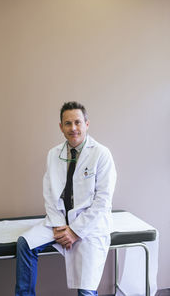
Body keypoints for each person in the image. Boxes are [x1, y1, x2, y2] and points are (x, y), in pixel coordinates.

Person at [15, 101, 117, 296]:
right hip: (60, 221)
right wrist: (60, 226)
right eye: (68, 124)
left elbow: (102, 202)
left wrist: (76, 231)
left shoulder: (101, 154)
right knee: (25, 244)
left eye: (77, 122)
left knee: (86, 289)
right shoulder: (54, 154)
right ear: (61, 127)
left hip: (90, 227)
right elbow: (50, 194)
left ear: (87, 124)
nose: (73, 128)